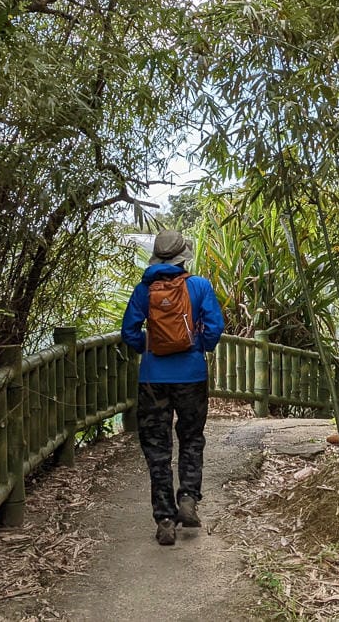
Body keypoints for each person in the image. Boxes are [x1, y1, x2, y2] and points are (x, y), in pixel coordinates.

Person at [121, 229, 225, 546]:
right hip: (191, 375)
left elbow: (129, 331)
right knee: (191, 438)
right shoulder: (199, 286)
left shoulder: (144, 290)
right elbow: (215, 327)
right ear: (183, 256)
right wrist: (197, 347)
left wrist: (148, 349)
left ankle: (165, 518)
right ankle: (189, 500)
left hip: (153, 377)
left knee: (157, 449)